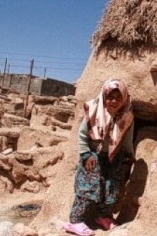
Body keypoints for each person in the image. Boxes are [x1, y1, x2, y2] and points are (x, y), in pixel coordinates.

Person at [64, 79, 135, 236]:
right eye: (110, 96)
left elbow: (127, 139)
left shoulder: (127, 115)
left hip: (113, 157)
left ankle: (104, 217)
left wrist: (128, 157)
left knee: (111, 189)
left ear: (124, 98)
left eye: (118, 97)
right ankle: (74, 222)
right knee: (86, 188)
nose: (113, 101)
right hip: (92, 157)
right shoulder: (95, 110)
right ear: (104, 96)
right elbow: (82, 135)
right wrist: (85, 154)